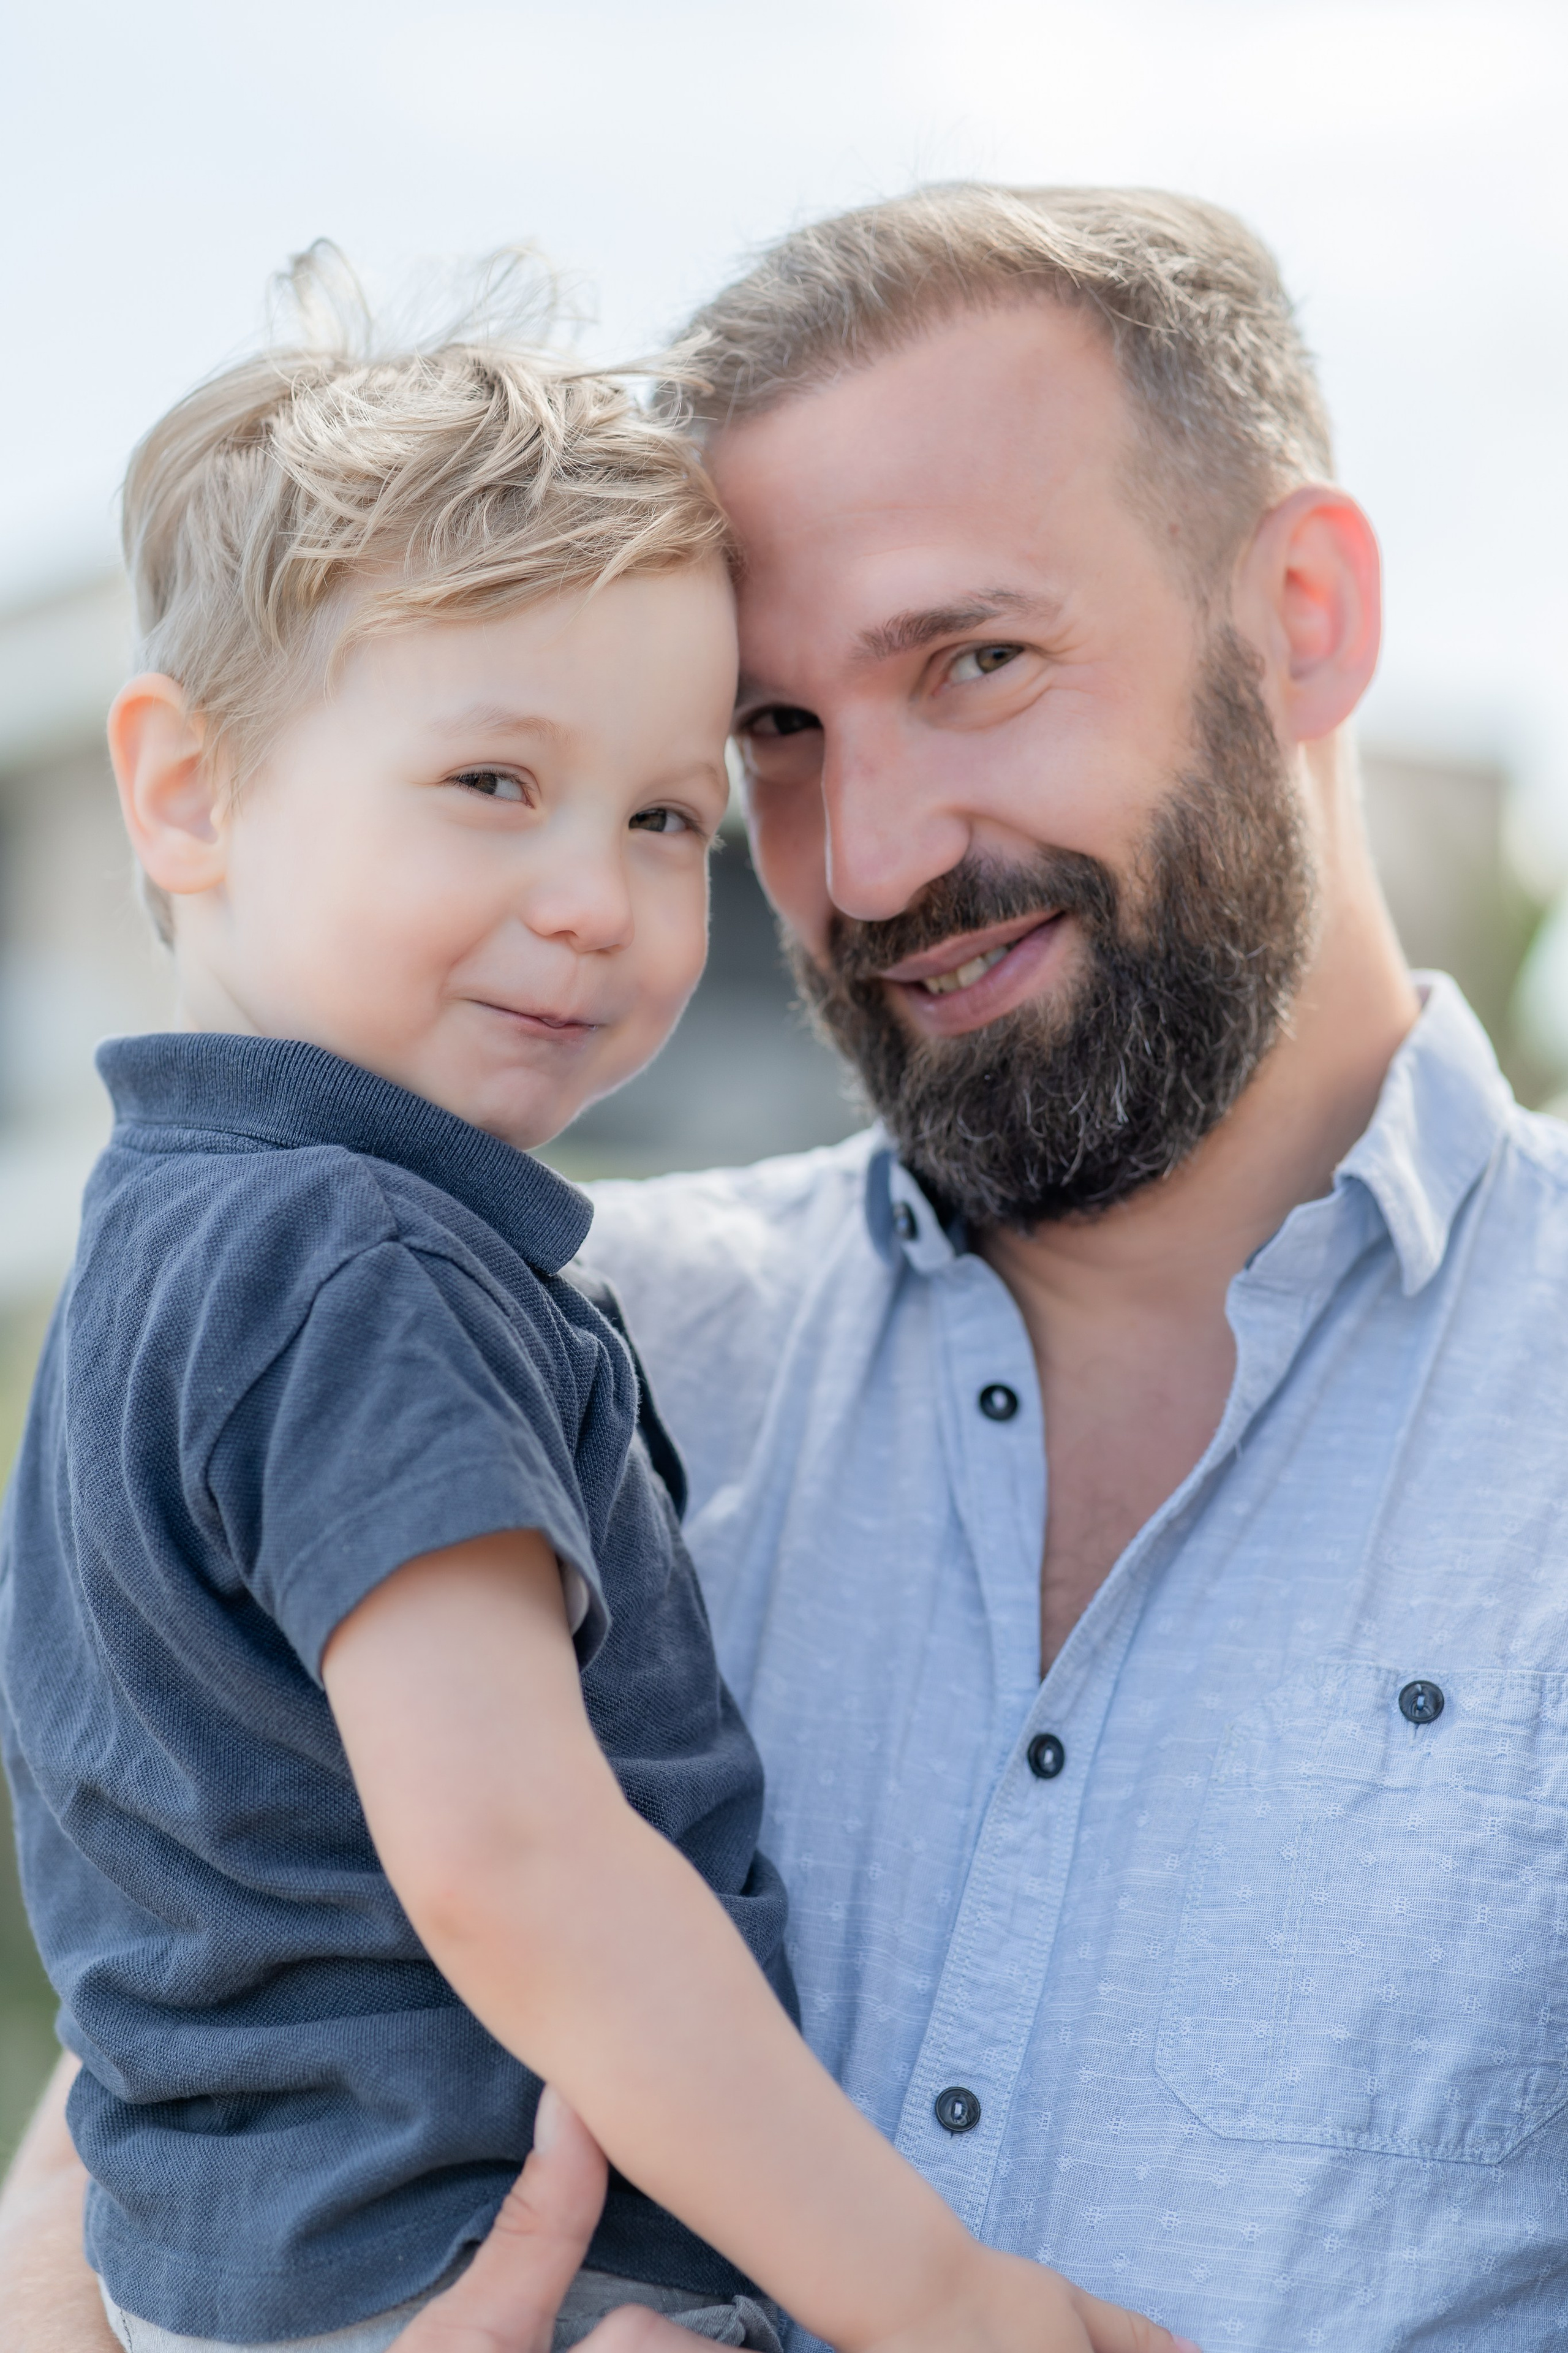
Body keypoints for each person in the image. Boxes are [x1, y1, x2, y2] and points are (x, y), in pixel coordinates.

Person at [8, 176, 1568, 2349]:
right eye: (781, 739)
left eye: (979, 661)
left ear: (1301, 614)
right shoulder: (541, 1331)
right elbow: (149, 2102)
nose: (871, 854)